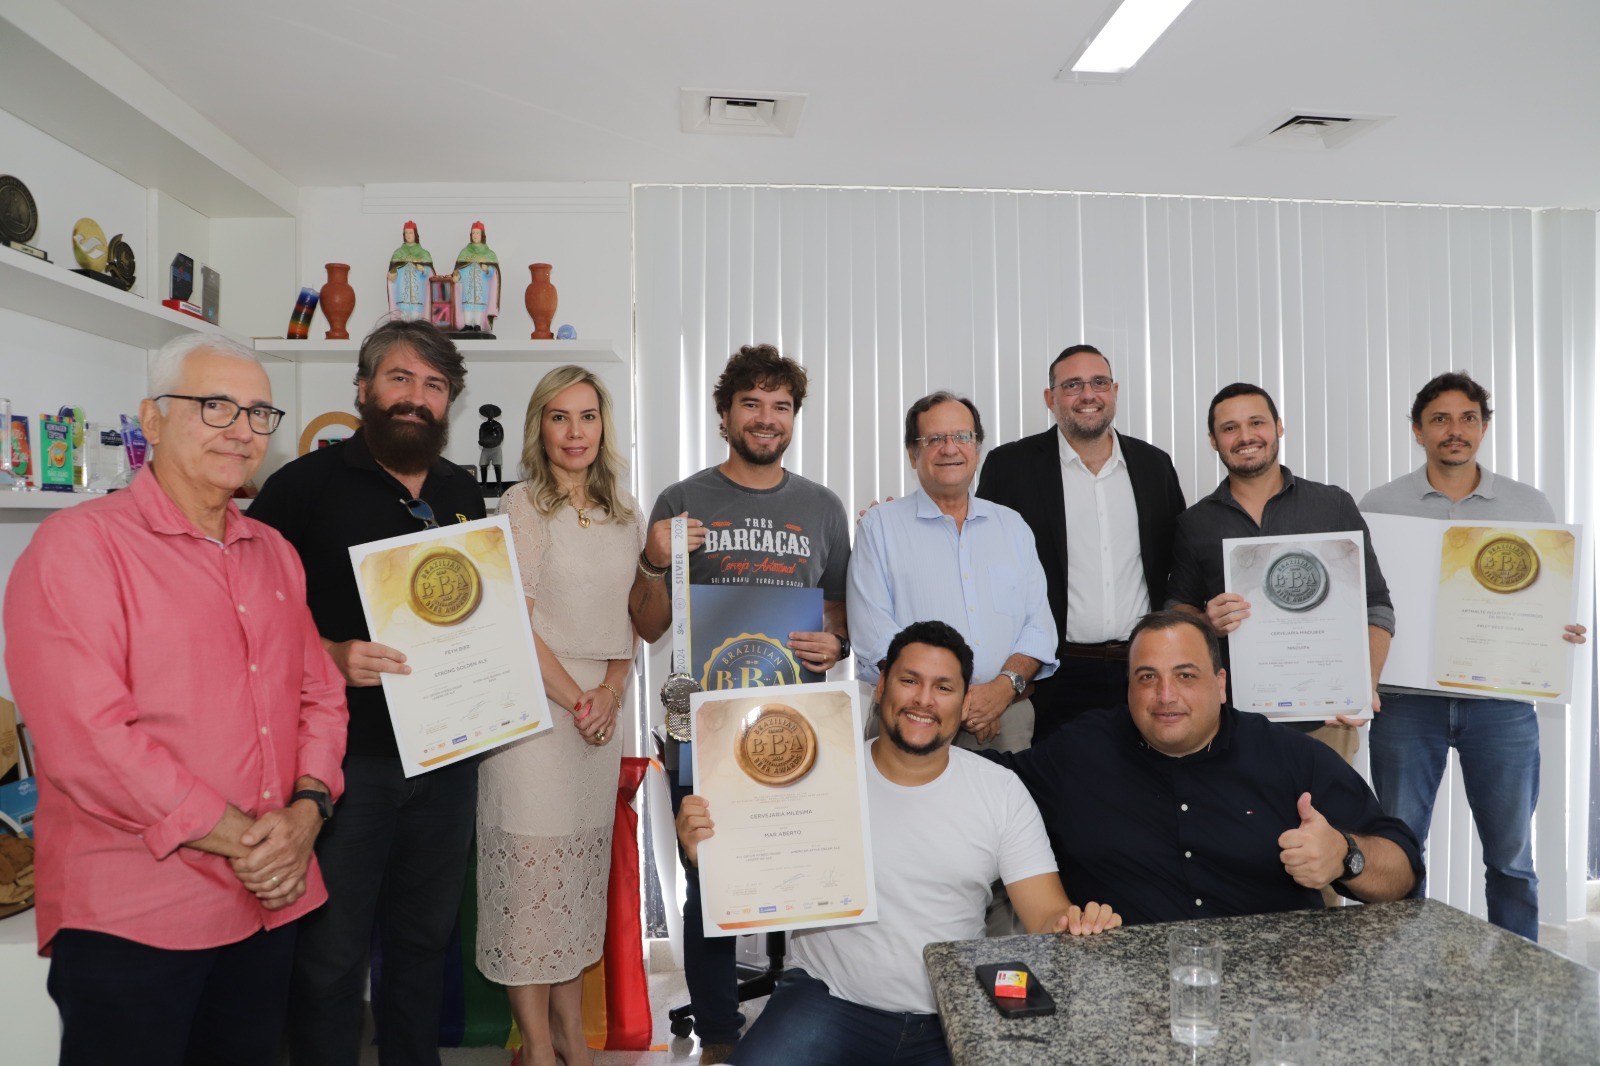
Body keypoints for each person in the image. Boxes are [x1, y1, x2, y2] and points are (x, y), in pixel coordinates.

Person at [3, 334, 347, 1065]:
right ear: (151, 421)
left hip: (266, 901)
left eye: (259, 413)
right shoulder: (78, 548)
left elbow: (319, 695)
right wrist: (245, 838)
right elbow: (89, 743)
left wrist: (307, 812)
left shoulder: (273, 552)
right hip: (137, 915)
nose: (241, 429)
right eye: (215, 405)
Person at [676, 621, 1122, 1066]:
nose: (923, 700)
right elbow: (751, 890)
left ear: (966, 701)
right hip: (828, 998)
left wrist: (1077, 924)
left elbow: (1046, 912)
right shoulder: (816, 773)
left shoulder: (1000, 791)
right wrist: (708, 857)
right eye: (909, 681)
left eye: (943, 687)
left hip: (952, 1009)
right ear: (882, 685)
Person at [249, 318, 485, 1066]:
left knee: (422, 945)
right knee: (331, 956)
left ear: (449, 404)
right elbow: (242, 614)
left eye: (434, 385)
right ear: (363, 388)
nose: (416, 398)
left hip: (447, 759)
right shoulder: (302, 487)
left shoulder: (460, 491)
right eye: (400, 379)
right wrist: (328, 652)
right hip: (346, 766)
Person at [629, 344, 851, 1061]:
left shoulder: (821, 507)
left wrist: (834, 644)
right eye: (750, 404)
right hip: (704, 728)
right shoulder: (682, 499)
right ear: (724, 415)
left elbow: (839, 610)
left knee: (807, 871)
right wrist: (654, 559)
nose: (766, 418)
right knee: (709, 883)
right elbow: (647, 623)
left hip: (795, 728)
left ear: (794, 418)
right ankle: (722, 1039)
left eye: (780, 406)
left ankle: (808, 1021)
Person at [984, 611, 1422, 925]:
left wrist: (1346, 856)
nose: (1165, 696)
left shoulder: (1287, 756)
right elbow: (985, 782)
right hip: (1126, 993)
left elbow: (1402, 871)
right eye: (1147, 677)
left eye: (1186, 676)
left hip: (1272, 991)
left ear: (1221, 684)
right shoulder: (1081, 751)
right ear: (1129, 688)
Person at [1359, 371, 1588, 941]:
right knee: (1398, 857)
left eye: (1467, 418)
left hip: (1501, 706)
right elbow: (1364, 604)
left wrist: (1558, 631)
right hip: (1407, 707)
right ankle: (1393, 979)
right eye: (1439, 419)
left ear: (1484, 427)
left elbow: (1542, 595)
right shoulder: (1379, 507)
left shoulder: (1528, 504)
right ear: (1418, 430)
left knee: (1511, 861)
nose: (1454, 430)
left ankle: (1518, 975)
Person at [475, 367, 641, 1065]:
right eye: (559, 417)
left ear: (603, 427)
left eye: (587, 417)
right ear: (538, 427)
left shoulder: (624, 513)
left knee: (574, 886)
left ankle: (574, 1034)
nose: (575, 433)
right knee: (530, 886)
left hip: (597, 721)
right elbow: (513, 619)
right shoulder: (521, 506)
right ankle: (538, 1046)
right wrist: (577, 698)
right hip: (534, 721)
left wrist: (610, 691)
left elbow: (632, 620)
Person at [1165, 382, 1393, 761]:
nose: (1245, 437)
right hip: (1228, 725)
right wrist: (1206, 621)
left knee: (1326, 821)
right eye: (1230, 428)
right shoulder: (1196, 523)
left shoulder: (1332, 505)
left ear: (1279, 427)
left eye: (1257, 422)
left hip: (1325, 723)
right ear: (1213, 440)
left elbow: (1377, 605)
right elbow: (1177, 612)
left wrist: (1364, 683)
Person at [977, 344, 1186, 742]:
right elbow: (979, 557)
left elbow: (1179, 561)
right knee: (1060, 795)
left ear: (1115, 391)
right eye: (1072, 385)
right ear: (1049, 398)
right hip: (1054, 675)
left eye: (1098, 383)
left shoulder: (1154, 465)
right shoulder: (1011, 468)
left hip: (1143, 668)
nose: (1088, 395)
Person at [848, 391, 1057, 752]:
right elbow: (873, 634)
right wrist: (948, 698)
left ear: (976, 449)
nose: (950, 449)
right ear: (913, 453)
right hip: (912, 718)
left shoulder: (1012, 527)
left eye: (962, 437)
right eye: (934, 439)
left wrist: (1000, 690)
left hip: (1004, 717)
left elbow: (1039, 629)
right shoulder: (880, 527)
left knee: (1002, 810)